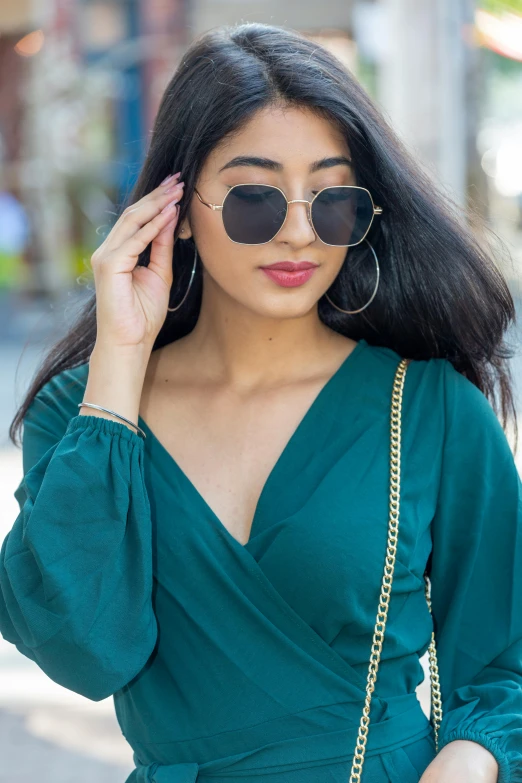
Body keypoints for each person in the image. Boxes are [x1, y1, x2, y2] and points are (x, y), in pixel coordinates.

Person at [1, 22, 521, 783]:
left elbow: (507, 663)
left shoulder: (430, 408)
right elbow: (83, 647)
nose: (301, 234)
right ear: (175, 203)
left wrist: (466, 764)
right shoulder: (81, 414)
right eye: (256, 198)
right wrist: (119, 360)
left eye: (333, 198)